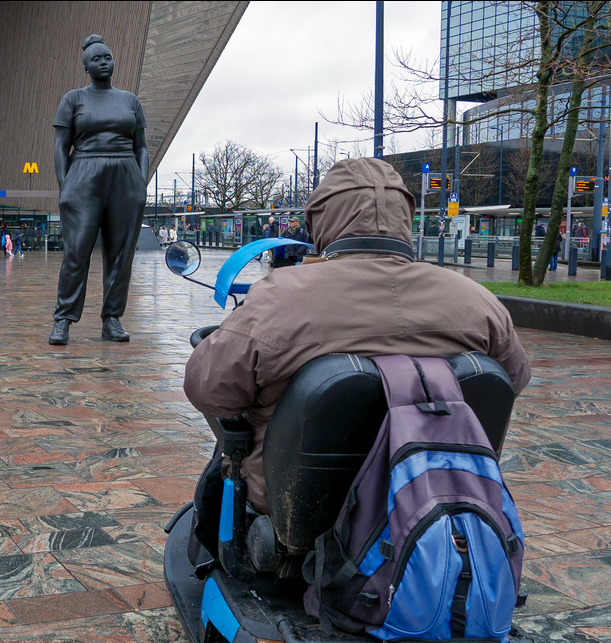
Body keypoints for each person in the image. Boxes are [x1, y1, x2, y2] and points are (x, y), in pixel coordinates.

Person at [184, 158, 530, 520]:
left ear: (320, 221)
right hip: (441, 499)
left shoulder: (277, 296)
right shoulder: (479, 301)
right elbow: (512, 381)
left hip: (297, 506)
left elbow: (206, 388)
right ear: (405, 216)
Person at [48, 34, 150, 346]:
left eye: (107, 57)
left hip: (125, 176)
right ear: (86, 67)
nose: (104, 62)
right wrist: (65, 187)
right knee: (77, 252)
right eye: (97, 59)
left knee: (121, 254)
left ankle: (112, 320)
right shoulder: (73, 99)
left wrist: (141, 183)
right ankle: (63, 319)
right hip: (85, 173)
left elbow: (141, 147)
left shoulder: (130, 100)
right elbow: (60, 146)